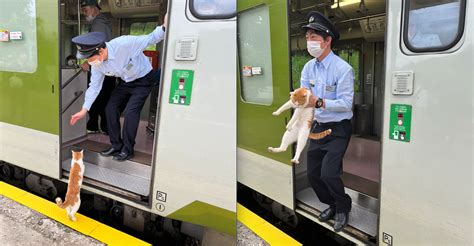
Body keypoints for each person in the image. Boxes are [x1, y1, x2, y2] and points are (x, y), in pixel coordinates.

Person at [70, 15, 167, 161]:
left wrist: (164, 26)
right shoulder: (97, 64)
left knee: (130, 113)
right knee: (110, 108)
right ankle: (116, 145)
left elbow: (152, 38)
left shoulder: (125, 44)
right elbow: (94, 87)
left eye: (90, 58)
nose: (89, 62)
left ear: (101, 51)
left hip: (143, 79)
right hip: (125, 82)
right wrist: (84, 109)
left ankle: (128, 150)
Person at [300, 11, 354, 232]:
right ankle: (332, 204)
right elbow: (305, 97)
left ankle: (343, 207)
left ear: (327, 39)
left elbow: (346, 103)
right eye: (308, 37)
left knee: (329, 173)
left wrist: (319, 102)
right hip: (318, 127)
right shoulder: (308, 68)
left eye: (314, 37)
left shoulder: (343, 69)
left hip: (339, 128)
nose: (309, 41)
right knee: (313, 174)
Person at [80, 0, 115, 135]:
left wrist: (87, 62)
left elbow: (99, 45)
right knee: (105, 97)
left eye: (85, 9)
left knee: (98, 96)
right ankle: (103, 127)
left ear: (95, 9)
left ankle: (95, 125)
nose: (84, 13)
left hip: (101, 66)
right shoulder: (103, 21)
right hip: (107, 68)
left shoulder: (98, 23)